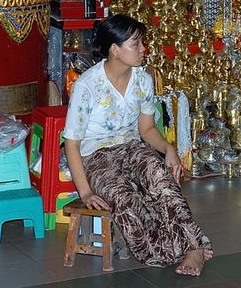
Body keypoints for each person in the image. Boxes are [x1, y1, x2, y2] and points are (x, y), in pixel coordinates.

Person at [64, 14, 213, 276]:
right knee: (125, 199)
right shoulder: (87, 86)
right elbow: (72, 144)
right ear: (115, 49)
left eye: (142, 42)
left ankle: (193, 248)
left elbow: (146, 130)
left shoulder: (143, 80)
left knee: (162, 180)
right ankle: (170, 250)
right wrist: (85, 191)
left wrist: (169, 149)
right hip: (96, 157)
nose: (144, 49)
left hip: (132, 148)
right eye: (136, 44)